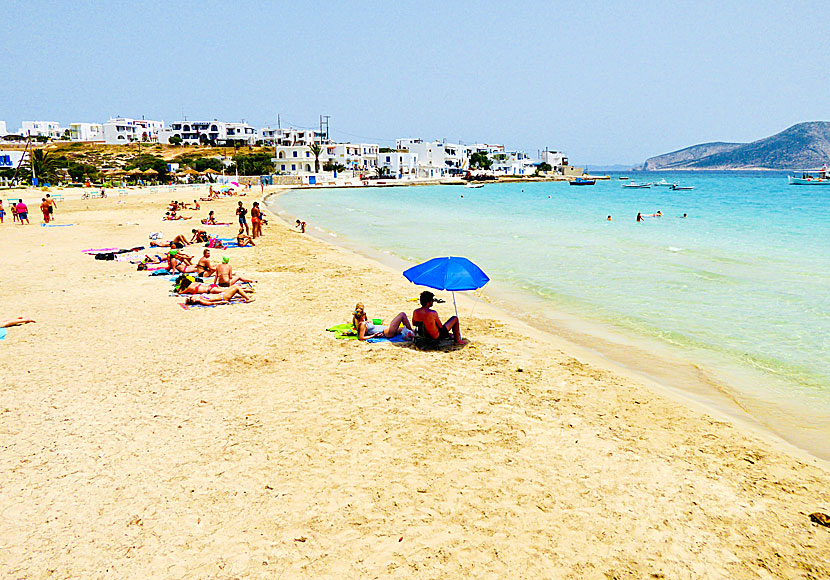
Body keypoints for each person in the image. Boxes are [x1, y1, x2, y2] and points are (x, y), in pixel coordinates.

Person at [184, 285, 255, 305]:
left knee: (234, 287)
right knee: (236, 288)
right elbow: (211, 303)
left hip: (221, 295)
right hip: (223, 297)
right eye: (191, 298)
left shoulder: (200, 297)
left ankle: (245, 295)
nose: (192, 296)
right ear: (193, 300)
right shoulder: (202, 301)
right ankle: (248, 299)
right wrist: (222, 302)